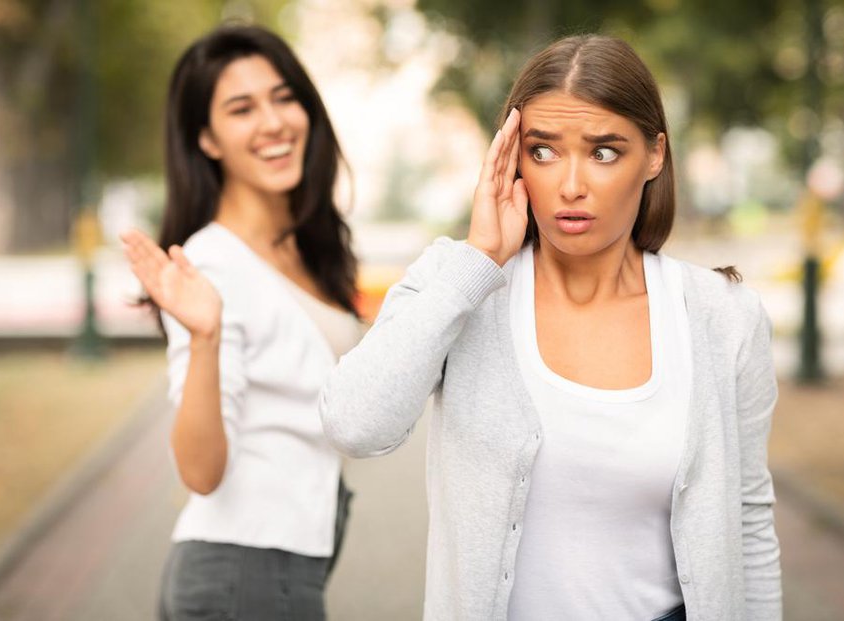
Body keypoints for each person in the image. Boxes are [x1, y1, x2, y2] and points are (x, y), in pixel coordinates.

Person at [320, 35, 781, 621]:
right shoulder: (458, 282)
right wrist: (480, 261)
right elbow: (353, 424)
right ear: (510, 158)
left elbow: (749, 521)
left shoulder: (724, 315)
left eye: (604, 152)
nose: (570, 185)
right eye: (542, 152)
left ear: (655, 155)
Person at [121, 24, 362, 620]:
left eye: (284, 98)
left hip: (283, 566)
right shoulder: (211, 264)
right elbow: (200, 471)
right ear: (206, 138)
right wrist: (205, 338)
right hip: (243, 573)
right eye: (241, 108)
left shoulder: (305, 249)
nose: (274, 122)